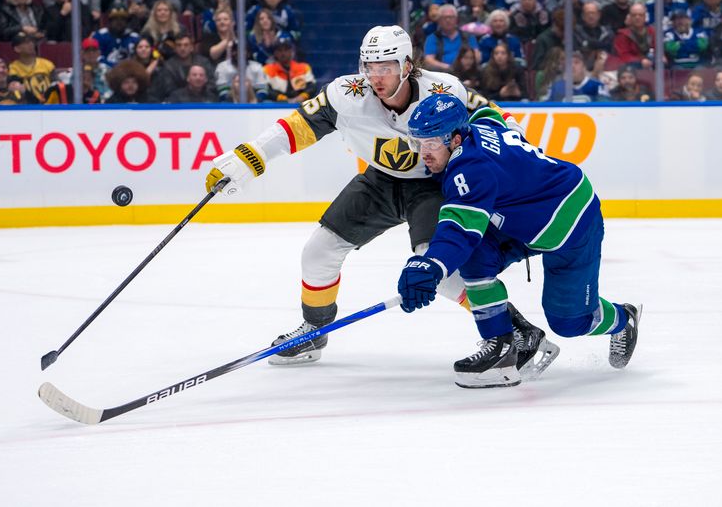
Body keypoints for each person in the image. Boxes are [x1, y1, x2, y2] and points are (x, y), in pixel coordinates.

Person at [204, 25, 558, 368]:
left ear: (407, 66)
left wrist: (519, 162)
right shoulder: (346, 94)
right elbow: (295, 128)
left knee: (442, 271)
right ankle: (314, 330)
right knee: (318, 252)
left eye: (385, 67)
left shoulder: (443, 89)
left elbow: (496, 119)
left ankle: (516, 330)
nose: (376, 76)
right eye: (369, 66)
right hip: (380, 182)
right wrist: (246, 159)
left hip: (433, 185)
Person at [397, 94, 641, 388]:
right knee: (475, 258)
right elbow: (494, 114)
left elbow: (459, 229)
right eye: (418, 143)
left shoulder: (469, 169)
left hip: (571, 222)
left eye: (432, 143)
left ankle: (622, 319)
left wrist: (431, 265)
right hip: (524, 218)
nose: (424, 153)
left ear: (457, 139)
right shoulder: (479, 124)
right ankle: (502, 346)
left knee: (569, 322)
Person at [262, 37, 315, 103]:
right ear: (275, 53)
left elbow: (312, 87)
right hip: (277, 105)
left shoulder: (304, 67)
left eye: (286, 50)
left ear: (292, 51)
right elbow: (266, 89)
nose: (283, 53)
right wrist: (281, 98)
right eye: (279, 50)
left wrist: (303, 96)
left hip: (301, 103)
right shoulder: (267, 69)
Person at [8, 31, 55, 103]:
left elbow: (56, 86)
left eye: (31, 42)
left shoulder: (47, 64)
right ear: (17, 49)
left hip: (50, 105)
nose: (31, 44)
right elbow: (17, 92)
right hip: (27, 107)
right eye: (26, 43)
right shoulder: (13, 68)